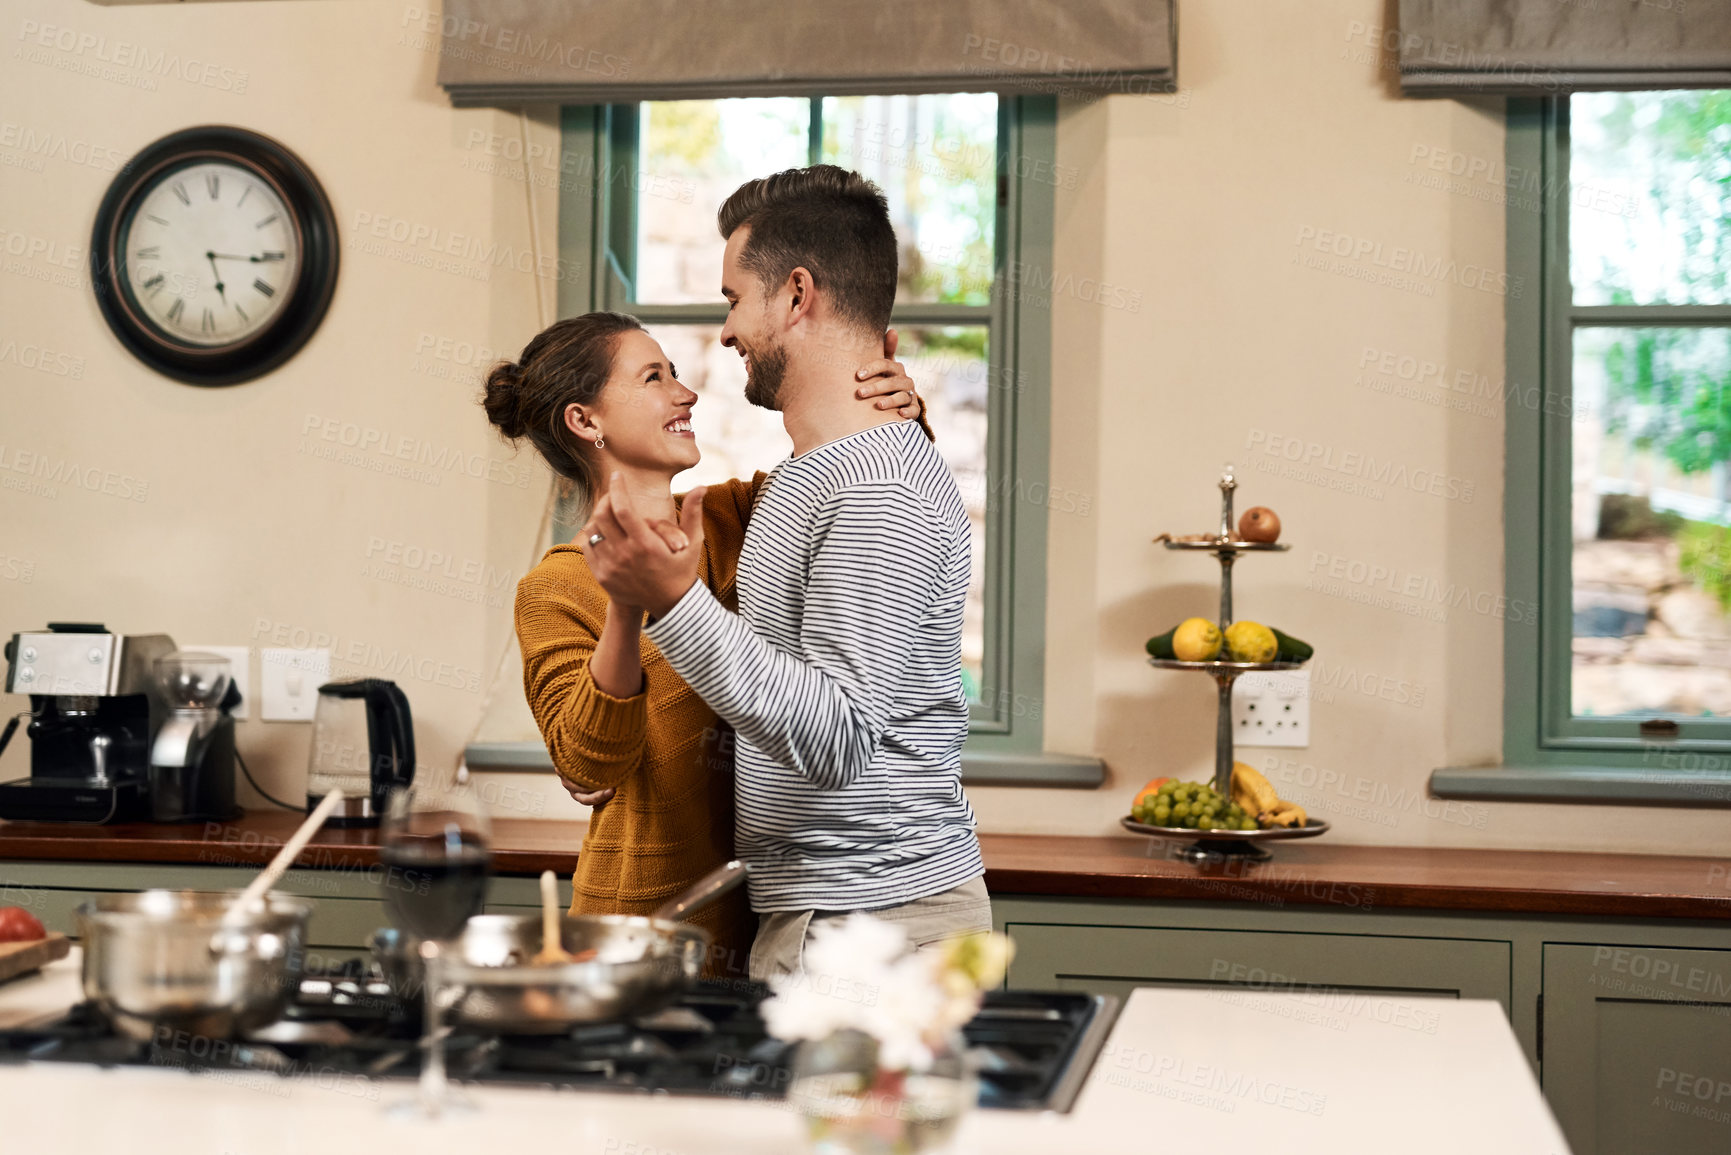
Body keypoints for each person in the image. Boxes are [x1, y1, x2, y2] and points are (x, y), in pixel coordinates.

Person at [579, 166, 990, 981]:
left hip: (874, 928)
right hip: (826, 914)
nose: (726, 334)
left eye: (734, 298)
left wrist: (672, 601)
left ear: (796, 294)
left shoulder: (876, 487)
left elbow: (835, 735)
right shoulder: (817, 472)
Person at [482, 309, 924, 979]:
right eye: (654, 377)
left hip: (783, 914)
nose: (684, 393)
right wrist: (630, 608)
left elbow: (864, 488)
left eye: (676, 374)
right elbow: (588, 766)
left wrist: (903, 417)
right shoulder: (553, 590)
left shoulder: (738, 515)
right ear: (585, 420)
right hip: (643, 925)